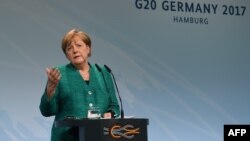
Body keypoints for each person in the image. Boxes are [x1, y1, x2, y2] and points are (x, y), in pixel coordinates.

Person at [39, 28, 120, 141]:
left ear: (88, 48)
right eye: (69, 48)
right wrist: (50, 89)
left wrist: (110, 114)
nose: (75, 50)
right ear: (67, 55)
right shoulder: (58, 74)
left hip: (100, 136)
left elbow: (114, 106)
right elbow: (46, 111)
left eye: (78, 45)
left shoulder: (103, 72)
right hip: (67, 137)